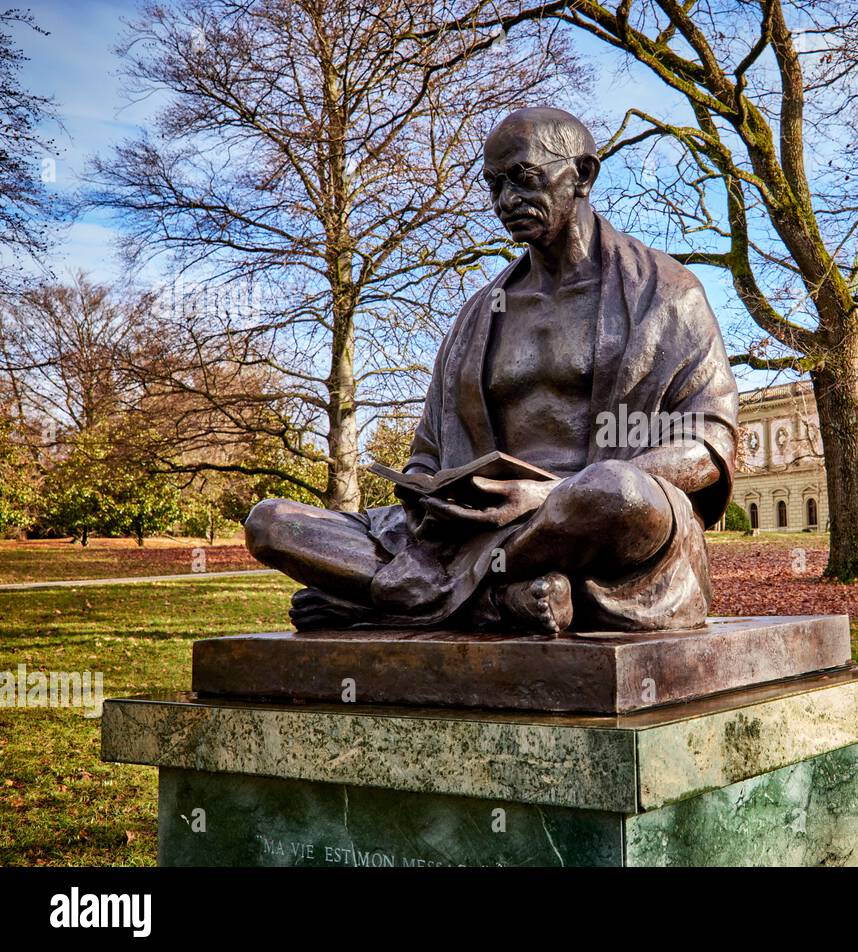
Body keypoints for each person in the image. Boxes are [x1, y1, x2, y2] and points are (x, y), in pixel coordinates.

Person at [243, 107, 738, 633]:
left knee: (619, 492)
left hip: (591, 530)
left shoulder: (667, 293)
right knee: (271, 523)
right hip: (467, 530)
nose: (505, 201)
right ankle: (506, 599)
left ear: (584, 175)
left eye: (524, 177)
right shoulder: (482, 313)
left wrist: (551, 496)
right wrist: (426, 493)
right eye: (494, 184)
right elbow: (428, 453)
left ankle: (401, 597)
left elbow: (709, 443)